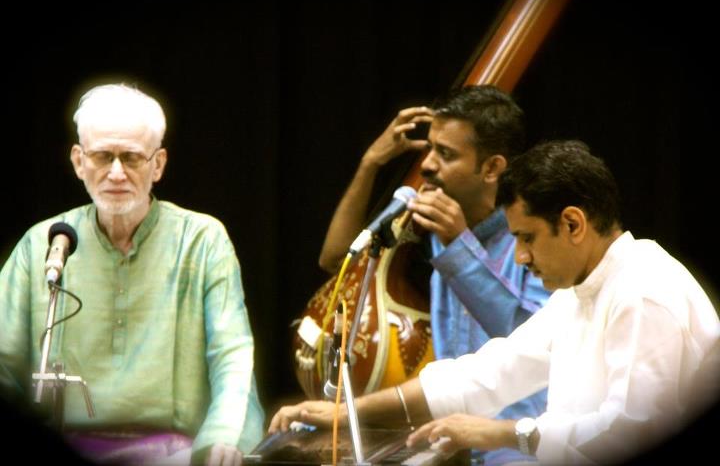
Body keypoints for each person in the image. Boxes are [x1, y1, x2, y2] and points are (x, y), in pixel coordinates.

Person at [270, 140, 720, 464]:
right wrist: (347, 412)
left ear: (572, 223)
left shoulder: (642, 291)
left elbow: (630, 435)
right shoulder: (583, 289)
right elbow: (490, 372)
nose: (521, 257)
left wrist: (500, 433)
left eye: (527, 238)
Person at [0, 83, 264, 465]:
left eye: (132, 158)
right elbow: (4, 361)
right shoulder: (42, 244)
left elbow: (232, 355)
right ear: (78, 161)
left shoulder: (202, 240)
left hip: (176, 452)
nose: (117, 173)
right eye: (103, 156)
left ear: (158, 164)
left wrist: (220, 440)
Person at [318, 85, 550, 464]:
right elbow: (337, 260)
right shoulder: (437, 223)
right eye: (429, 148)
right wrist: (370, 163)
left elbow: (534, 344)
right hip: (453, 445)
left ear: (492, 168)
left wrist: (460, 247)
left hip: (522, 446)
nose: (426, 164)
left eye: (445, 154)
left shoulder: (532, 237)